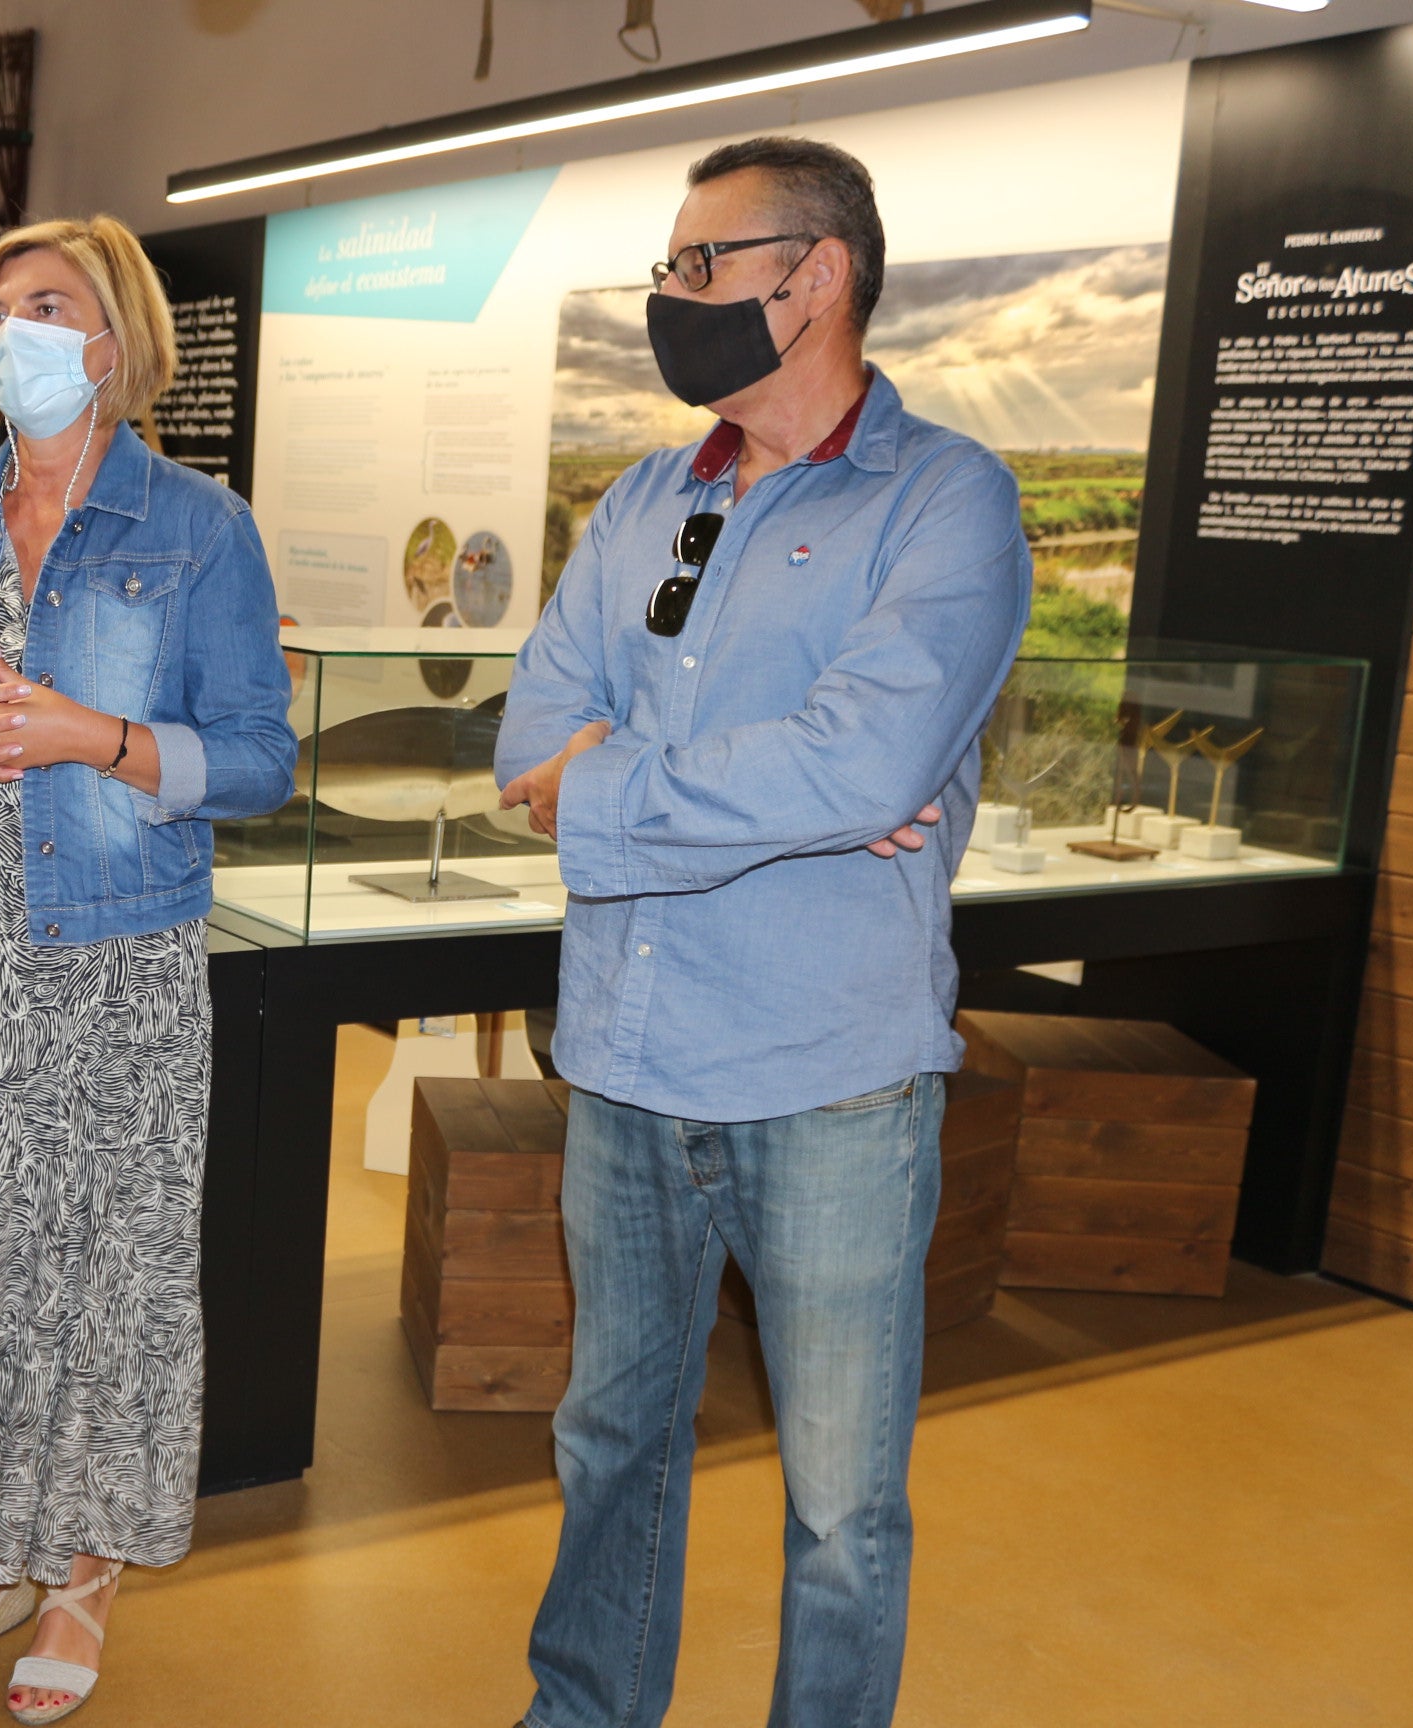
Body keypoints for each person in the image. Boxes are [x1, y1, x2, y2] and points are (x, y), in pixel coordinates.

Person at [494, 137, 1031, 1728]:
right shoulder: (646, 498)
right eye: (666, 269)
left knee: (840, 1507)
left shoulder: (946, 502)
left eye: (700, 266)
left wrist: (623, 786)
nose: (672, 300)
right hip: (630, 1057)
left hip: (834, 1075)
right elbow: (532, 735)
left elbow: (864, 760)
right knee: (609, 1444)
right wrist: (787, 784)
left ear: (819, 278)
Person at [0, 214, 294, 1724]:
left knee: (103, 1267)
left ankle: (83, 1565)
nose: (15, 326)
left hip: (114, 961)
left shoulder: (197, 526)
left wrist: (84, 733)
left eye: (51, 302)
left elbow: (261, 762)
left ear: (117, 341)